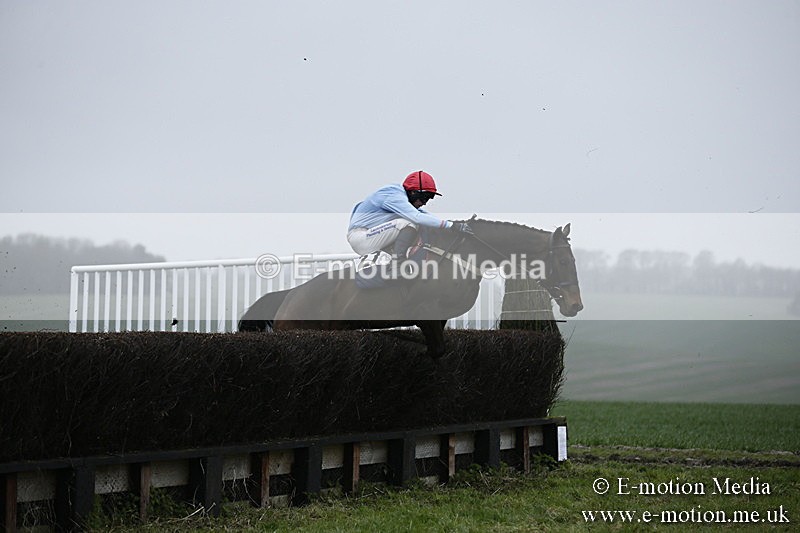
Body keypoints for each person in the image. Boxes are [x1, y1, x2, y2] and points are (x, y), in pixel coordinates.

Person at [347, 171, 473, 258]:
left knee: (417, 223)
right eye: (423, 198)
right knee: (407, 223)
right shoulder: (393, 195)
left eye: (428, 199)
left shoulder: (403, 199)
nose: (424, 203)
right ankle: (397, 263)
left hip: (371, 234)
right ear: (413, 192)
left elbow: (425, 216)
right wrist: (450, 226)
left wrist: (454, 225)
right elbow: (417, 217)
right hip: (361, 238)